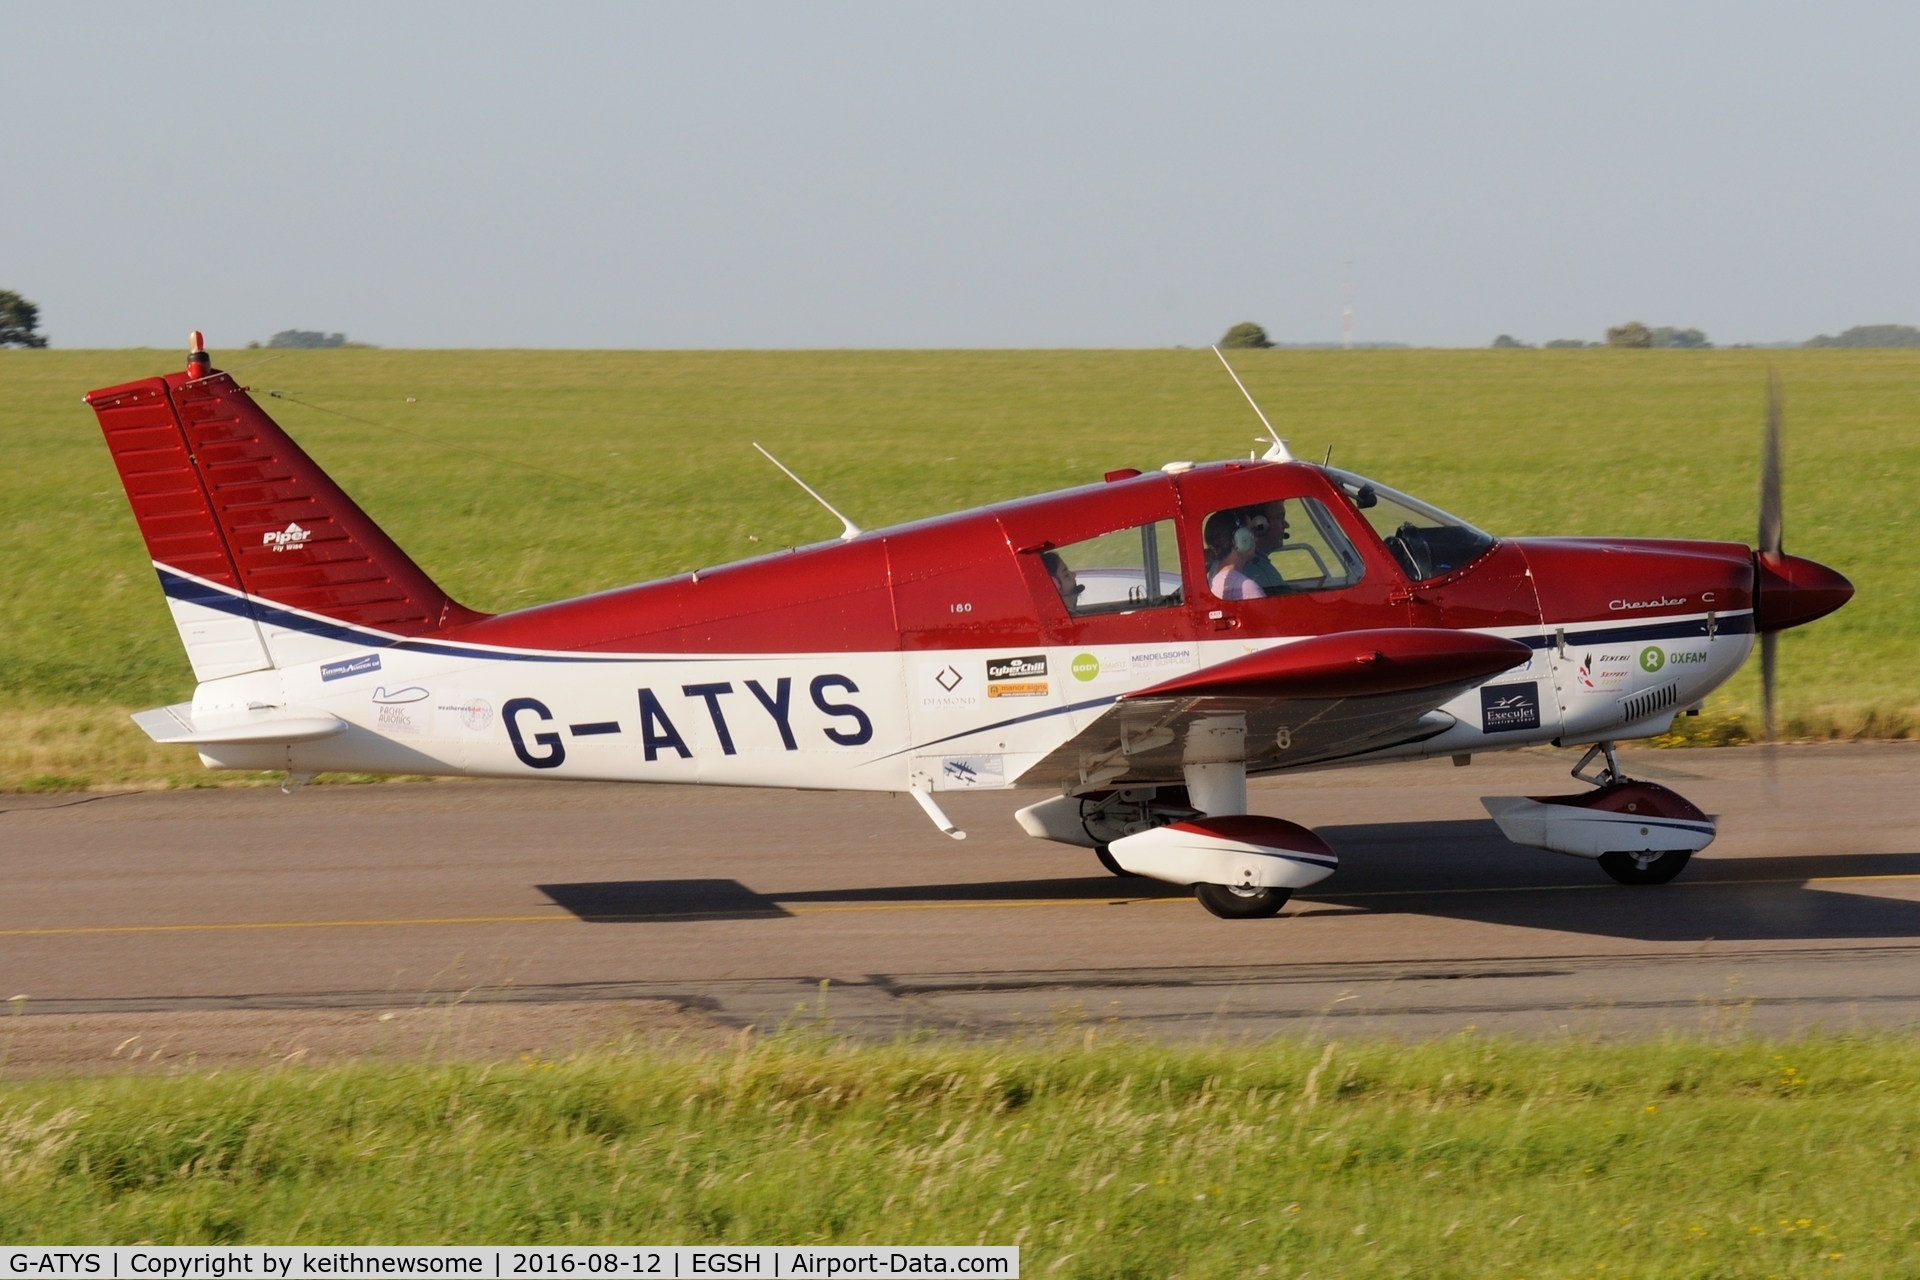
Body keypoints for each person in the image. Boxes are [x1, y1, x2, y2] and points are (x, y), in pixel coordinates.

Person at [1203, 511, 1266, 601]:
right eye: (1251, 531)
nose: (1256, 538)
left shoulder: (1215, 580)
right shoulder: (1247, 588)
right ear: (1240, 537)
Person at [1240, 500, 1290, 592]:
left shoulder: (1228, 564)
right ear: (1260, 525)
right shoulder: (1261, 572)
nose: (1287, 525)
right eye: (1281, 517)